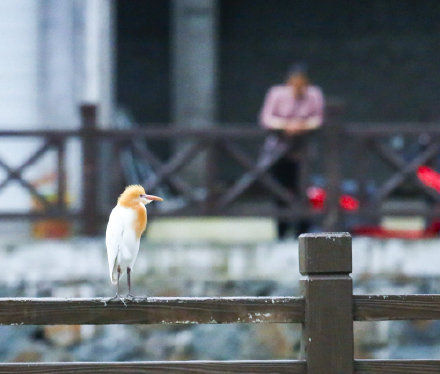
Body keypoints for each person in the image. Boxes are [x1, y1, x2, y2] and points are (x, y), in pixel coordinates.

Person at [259, 63, 325, 238]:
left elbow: (319, 119)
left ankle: (302, 231)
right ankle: (281, 231)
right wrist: (286, 125)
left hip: (302, 153)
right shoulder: (277, 93)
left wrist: (302, 125)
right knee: (279, 192)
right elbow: (266, 119)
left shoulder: (314, 94)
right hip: (278, 152)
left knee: (303, 192)